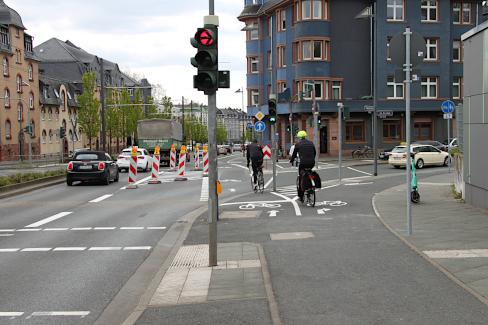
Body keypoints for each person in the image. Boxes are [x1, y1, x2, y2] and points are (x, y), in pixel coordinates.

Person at [289, 131, 316, 203]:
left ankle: (301, 197)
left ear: (299, 137)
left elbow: (294, 154)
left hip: (303, 163)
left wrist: (291, 160)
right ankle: (311, 186)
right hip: (311, 162)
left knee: (301, 177)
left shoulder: (298, 144)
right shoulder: (310, 143)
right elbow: (314, 152)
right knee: (309, 172)